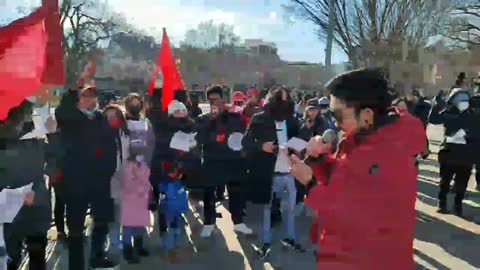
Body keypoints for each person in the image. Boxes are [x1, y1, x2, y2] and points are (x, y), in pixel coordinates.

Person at [290, 68, 425, 269]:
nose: (335, 124)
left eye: (338, 115)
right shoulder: (363, 139)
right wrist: (318, 159)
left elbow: (342, 209)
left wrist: (309, 183)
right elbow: (342, 178)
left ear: (367, 115)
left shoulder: (384, 152)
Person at [56, 85, 118, 270]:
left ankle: (97, 258)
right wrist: (76, 86)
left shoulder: (100, 118)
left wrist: (108, 170)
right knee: (76, 228)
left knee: (102, 220)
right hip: (76, 182)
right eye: (85, 96)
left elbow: (110, 146)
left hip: (100, 181)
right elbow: (62, 109)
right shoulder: (69, 119)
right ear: (76, 99)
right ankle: (76, 265)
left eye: (92, 96)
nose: (90, 100)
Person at [243, 88, 305, 259]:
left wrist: (296, 151)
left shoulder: (292, 121)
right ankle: (265, 243)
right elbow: (246, 142)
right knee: (266, 211)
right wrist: (261, 146)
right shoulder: (260, 119)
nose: (283, 105)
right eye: (280, 101)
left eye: (286, 101)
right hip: (268, 174)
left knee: (289, 210)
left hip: (289, 174)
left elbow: (299, 142)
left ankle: (290, 238)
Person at [196, 85, 253, 238]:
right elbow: (199, 139)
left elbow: (241, 135)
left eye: (216, 99)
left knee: (236, 192)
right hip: (212, 160)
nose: (213, 103)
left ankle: (238, 222)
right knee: (209, 193)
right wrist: (211, 121)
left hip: (232, 160)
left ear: (223, 99)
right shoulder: (203, 119)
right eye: (210, 100)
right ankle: (209, 222)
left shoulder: (235, 117)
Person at [0, 99, 51, 270]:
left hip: (29, 205)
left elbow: (56, 159)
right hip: (16, 206)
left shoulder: (35, 139)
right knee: (16, 257)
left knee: (21, 256)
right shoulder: (32, 138)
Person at [429, 88, 479, 216]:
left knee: (462, 182)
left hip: (466, 153)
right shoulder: (449, 112)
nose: (463, 102)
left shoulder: (473, 115)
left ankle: (458, 206)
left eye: (465, 99)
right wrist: (437, 104)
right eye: (459, 99)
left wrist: (469, 136)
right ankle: (442, 203)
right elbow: (434, 119)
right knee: (445, 181)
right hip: (449, 152)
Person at [103, 105, 130, 250]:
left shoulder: (125, 133)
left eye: (114, 116)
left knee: (119, 210)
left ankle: (114, 239)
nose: (111, 120)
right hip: (106, 177)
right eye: (108, 117)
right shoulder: (99, 135)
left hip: (123, 176)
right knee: (106, 212)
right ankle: (102, 241)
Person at [119, 142, 151, 264]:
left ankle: (139, 246)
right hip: (130, 201)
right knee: (128, 227)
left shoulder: (142, 165)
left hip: (141, 201)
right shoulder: (128, 166)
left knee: (140, 225)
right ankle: (127, 252)